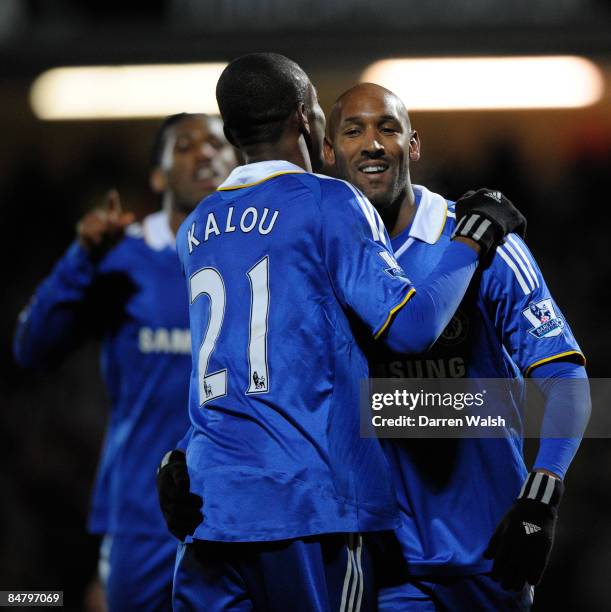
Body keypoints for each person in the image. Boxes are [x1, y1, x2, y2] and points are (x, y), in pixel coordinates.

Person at [163, 52, 525, 612]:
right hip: (309, 508)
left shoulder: (195, 229)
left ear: (230, 132)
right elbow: (409, 330)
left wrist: (180, 452)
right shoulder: (330, 202)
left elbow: (238, 363)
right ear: (306, 119)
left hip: (211, 510)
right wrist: (471, 241)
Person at [324, 82, 591, 610]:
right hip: (384, 560)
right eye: (354, 131)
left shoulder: (485, 244)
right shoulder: (323, 258)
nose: (373, 143)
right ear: (329, 152)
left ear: (414, 145)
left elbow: (564, 378)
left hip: (491, 552)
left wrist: (541, 498)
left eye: (388, 128)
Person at [13, 113, 237, 611]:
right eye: (185, 145)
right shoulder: (120, 257)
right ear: (157, 175)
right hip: (141, 515)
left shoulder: (257, 260)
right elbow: (31, 348)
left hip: (234, 509)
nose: (205, 153)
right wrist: (80, 260)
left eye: (218, 143)